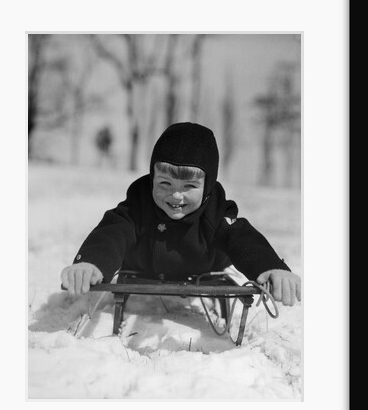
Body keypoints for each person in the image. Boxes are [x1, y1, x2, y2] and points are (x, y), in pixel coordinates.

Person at [61, 122, 301, 307]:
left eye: (189, 187)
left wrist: (270, 266)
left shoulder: (215, 213)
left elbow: (241, 238)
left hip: (202, 268)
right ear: (151, 177)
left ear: (207, 187)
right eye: (165, 183)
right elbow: (113, 232)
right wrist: (92, 262)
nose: (176, 196)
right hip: (143, 267)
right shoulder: (139, 204)